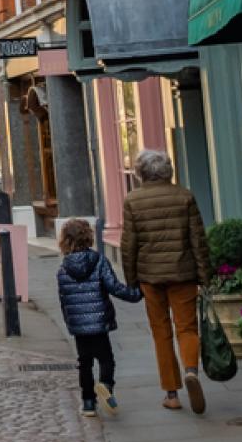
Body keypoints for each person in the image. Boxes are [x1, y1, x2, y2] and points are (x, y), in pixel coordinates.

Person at [120, 149, 212, 413]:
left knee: (161, 332)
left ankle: (171, 393)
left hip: (150, 275)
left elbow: (129, 244)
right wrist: (205, 275)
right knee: (187, 327)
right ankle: (192, 371)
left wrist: (131, 280)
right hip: (183, 273)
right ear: (168, 170)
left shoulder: (133, 200)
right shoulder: (184, 196)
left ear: (140, 172)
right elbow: (198, 239)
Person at [55, 218, 142, 419]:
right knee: (106, 359)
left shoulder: (63, 269)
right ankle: (105, 385)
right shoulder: (99, 260)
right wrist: (136, 294)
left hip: (79, 326)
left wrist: (70, 322)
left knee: (84, 362)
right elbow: (113, 287)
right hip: (99, 321)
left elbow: (63, 301)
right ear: (88, 237)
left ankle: (88, 403)